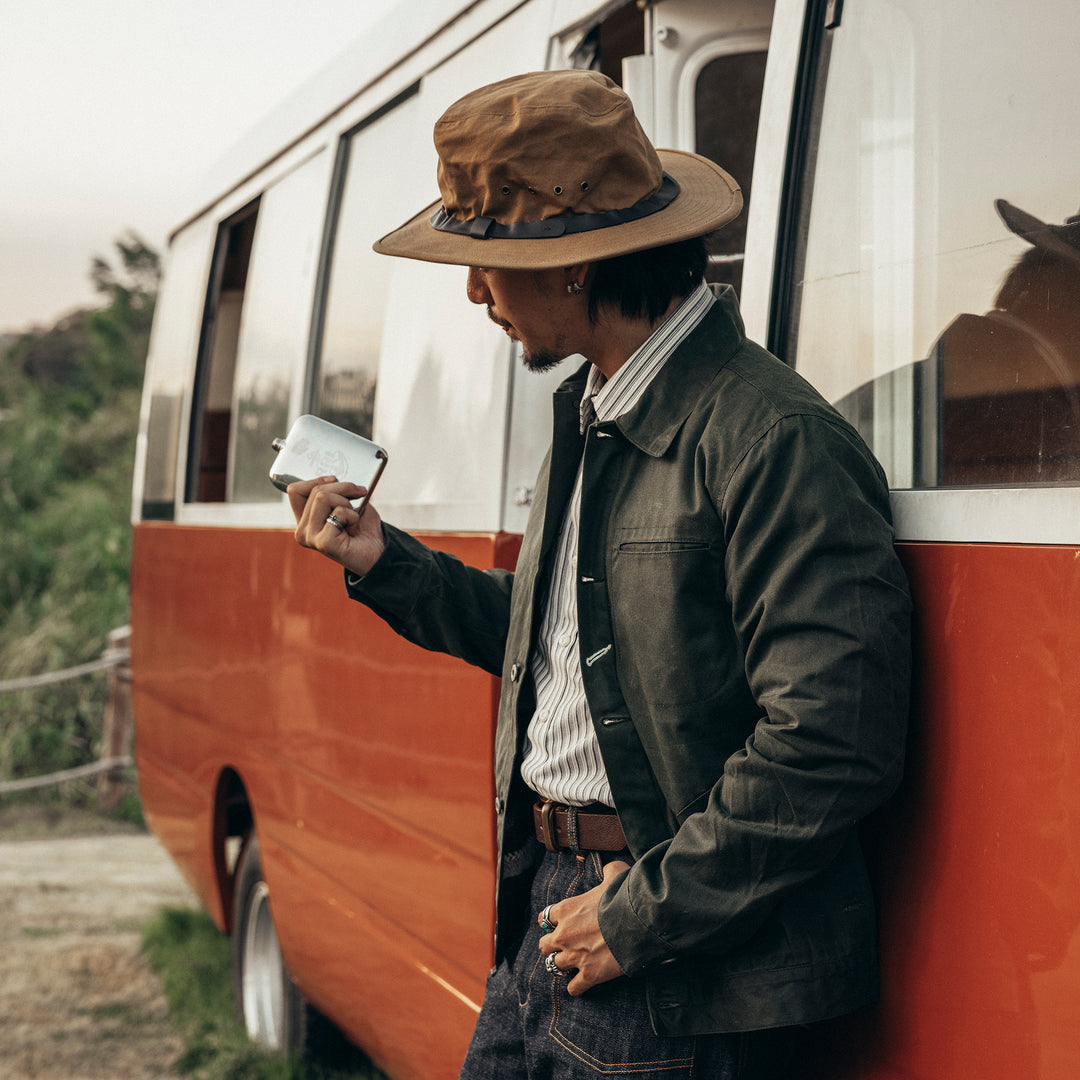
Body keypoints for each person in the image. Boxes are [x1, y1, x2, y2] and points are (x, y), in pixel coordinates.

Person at [289, 70, 911, 1080]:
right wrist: (382, 561)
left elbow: (834, 741)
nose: (472, 291)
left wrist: (639, 915)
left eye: (486, 262)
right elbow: (567, 653)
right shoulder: (596, 413)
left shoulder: (774, 440)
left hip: (680, 966)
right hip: (560, 912)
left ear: (576, 269)